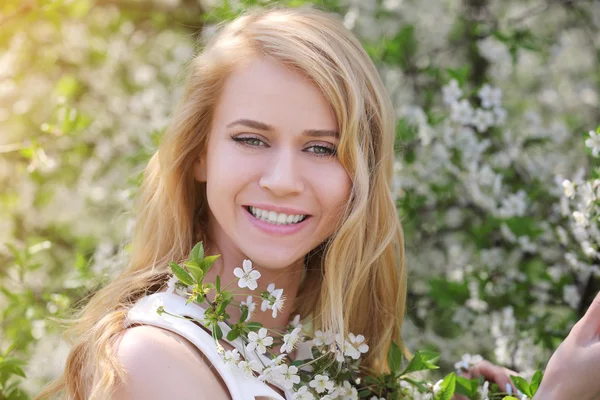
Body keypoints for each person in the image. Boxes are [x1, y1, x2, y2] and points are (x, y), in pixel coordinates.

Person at [36, 6, 600, 400]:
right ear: (198, 155)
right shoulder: (153, 360)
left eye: (322, 148)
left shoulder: (315, 360)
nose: (283, 180)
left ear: (360, 176)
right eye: (251, 139)